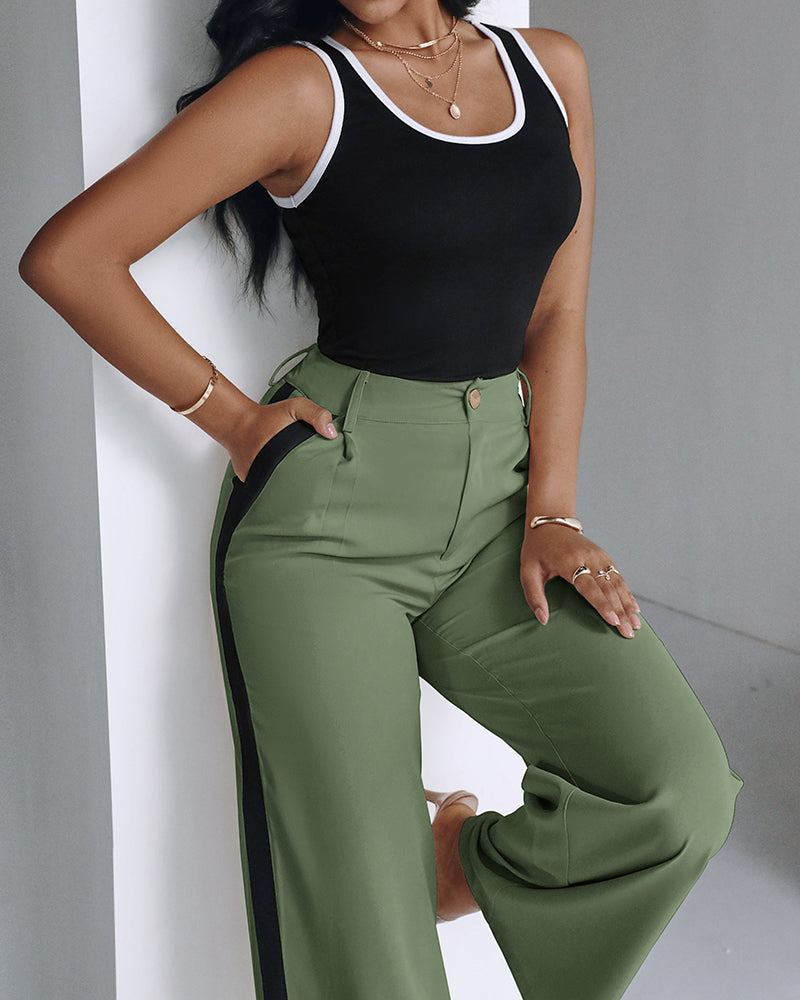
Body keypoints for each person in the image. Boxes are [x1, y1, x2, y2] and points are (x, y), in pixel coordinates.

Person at [18, 0, 744, 997]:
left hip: (498, 509)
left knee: (677, 792)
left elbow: (558, 311)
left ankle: (458, 863)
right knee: (367, 951)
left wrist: (553, 511)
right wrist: (233, 418)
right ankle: (403, 879)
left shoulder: (550, 69)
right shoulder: (297, 88)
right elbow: (69, 256)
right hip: (328, 526)